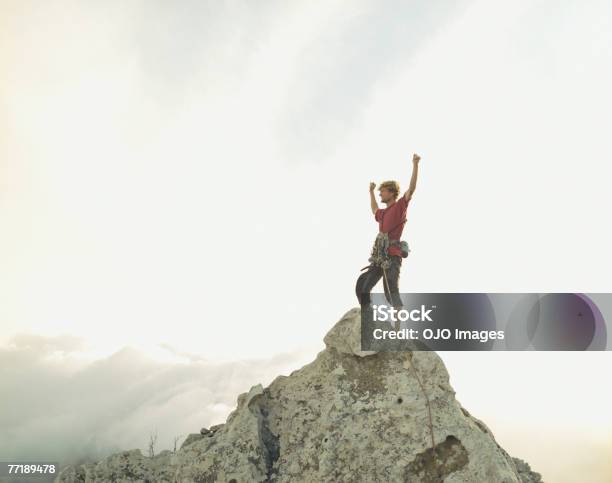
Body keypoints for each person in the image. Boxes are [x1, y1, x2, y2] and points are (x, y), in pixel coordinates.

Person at [356, 153, 421, 321]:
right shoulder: (383, 213)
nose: (380, 195)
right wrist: (370, 192)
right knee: (362, 285)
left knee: (390, 291)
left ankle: (398, 328)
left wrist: (415, 164)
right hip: (380, 256)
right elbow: (374, 209)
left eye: (382, 192)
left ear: (391, 193)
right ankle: (367, 314)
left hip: (392, 255)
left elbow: (411, 189)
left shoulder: (400, 206)